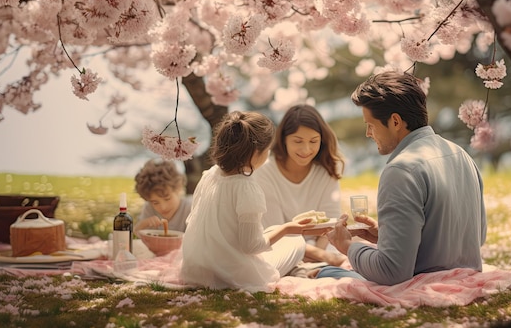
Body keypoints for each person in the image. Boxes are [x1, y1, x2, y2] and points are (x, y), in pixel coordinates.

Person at [315, 71, 487, 285]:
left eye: (370, 125)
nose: (368, 133)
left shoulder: (401, 170)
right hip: (466, 276)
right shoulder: (461, 154)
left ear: (395, 121)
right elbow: (477, 237)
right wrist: (386, 236)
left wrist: (347, 246)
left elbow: (392, 272)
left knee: (325, 273)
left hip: (425, 285)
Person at [179, 111, 324, 292]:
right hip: (231, 277)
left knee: (272, 231)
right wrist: (289, 228)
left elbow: (192, 221)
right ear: (256, 153)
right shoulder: (246, 187)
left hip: (195, 270)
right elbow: (251, 246)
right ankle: (295, 268)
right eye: (267, 149)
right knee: (295, 241)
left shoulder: (210, 174)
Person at [253, 104, 347, 266]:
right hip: (278, 248)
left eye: (313, 141)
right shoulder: (265, 171)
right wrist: (324, 257)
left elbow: (330, 223)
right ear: (283, 140)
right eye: (298, 141)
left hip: (321, 247)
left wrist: (320, 256)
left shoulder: (327, 169)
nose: (306, 149)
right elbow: (274, 232)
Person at [133, 159, 192, 234]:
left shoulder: (190, 208)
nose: (163, 207)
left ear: (178, 189)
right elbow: (136, 234)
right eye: (155, 202)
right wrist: (143, 224)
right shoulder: (149, 208)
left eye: (167, 199)